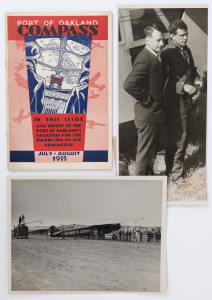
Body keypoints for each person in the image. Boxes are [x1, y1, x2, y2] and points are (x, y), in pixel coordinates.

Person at [161, 19, 203, 183]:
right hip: (174, 102)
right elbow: (163, 80)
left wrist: (198, 80)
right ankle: (176, 176)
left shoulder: (186, 50)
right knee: (180, 137)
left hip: (186, 101)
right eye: (182, 35)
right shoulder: (166, 53)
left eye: (187, 35)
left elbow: (191, 70)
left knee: (181, 137)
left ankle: (170, 171)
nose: (185, 38)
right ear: (172, 36)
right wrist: (183, 87)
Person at [123, 23, 165, 175]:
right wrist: (147, 98)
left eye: (163, 40)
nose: (162, 43)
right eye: (158, 40)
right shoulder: (144, 59)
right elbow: (129, 84)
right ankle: (141, 183)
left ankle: (149, 179)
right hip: (147, 114)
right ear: (148, 40)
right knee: (145, 153)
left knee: (151, 151)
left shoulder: (153, 56)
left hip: (153, 114)